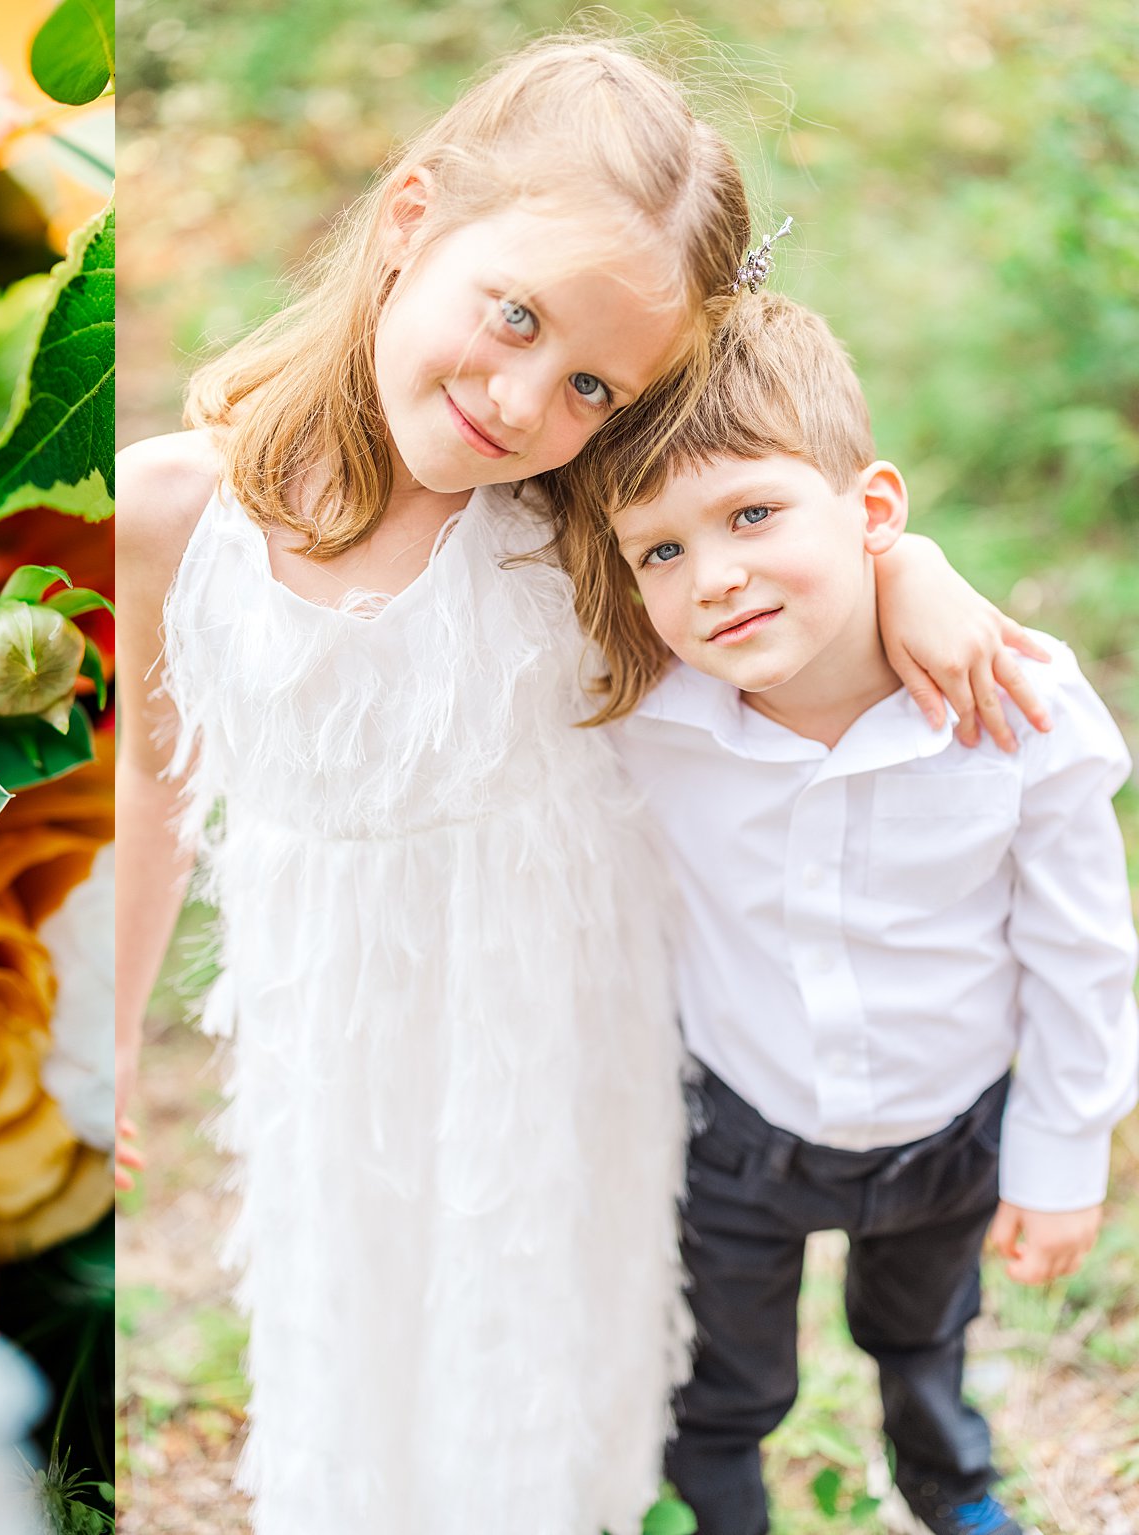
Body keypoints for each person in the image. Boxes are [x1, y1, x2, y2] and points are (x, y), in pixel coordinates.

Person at [115, 33, 1051, 1534]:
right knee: (351, 1305)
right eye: (514, 315)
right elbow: (153, 784)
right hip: (329, 1020)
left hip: (549, 1025)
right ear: (411, 217)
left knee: (539, 1337)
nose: (524, 397)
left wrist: (908, 566)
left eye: (594, 385)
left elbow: (779, 529)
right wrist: (100, 1033)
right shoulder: (173, 510)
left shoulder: (577, 535)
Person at [567, 291, 1139, 1535]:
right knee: (725, 1379)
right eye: (658, 550)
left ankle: (949, 1486)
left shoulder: (1012, 713)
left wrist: (1059, 1156)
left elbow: (1080, 951)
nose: (711, 575)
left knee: (921, 1334)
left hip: (949, 1129)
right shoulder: (645, 722)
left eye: (751, 514)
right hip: (738, 1128)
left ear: (872, 511)